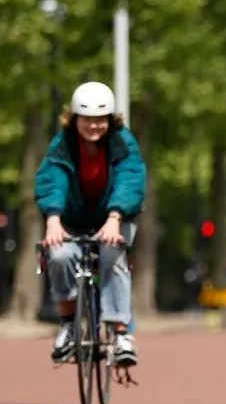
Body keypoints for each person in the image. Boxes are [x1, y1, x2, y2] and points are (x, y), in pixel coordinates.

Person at [34, 81, 146, 368]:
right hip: (71, 219)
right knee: (58, 256)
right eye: (87, 119)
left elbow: (130, 179)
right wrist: (53, 218)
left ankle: (121, 334)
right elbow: (52, 179)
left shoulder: (123, 142)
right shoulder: (63, 143)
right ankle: (69, 324)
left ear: (110, 119)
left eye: (100, 120)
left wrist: (115, 217)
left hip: (115, 217)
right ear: (75, 118)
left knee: (112, 254)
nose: (94, 126)